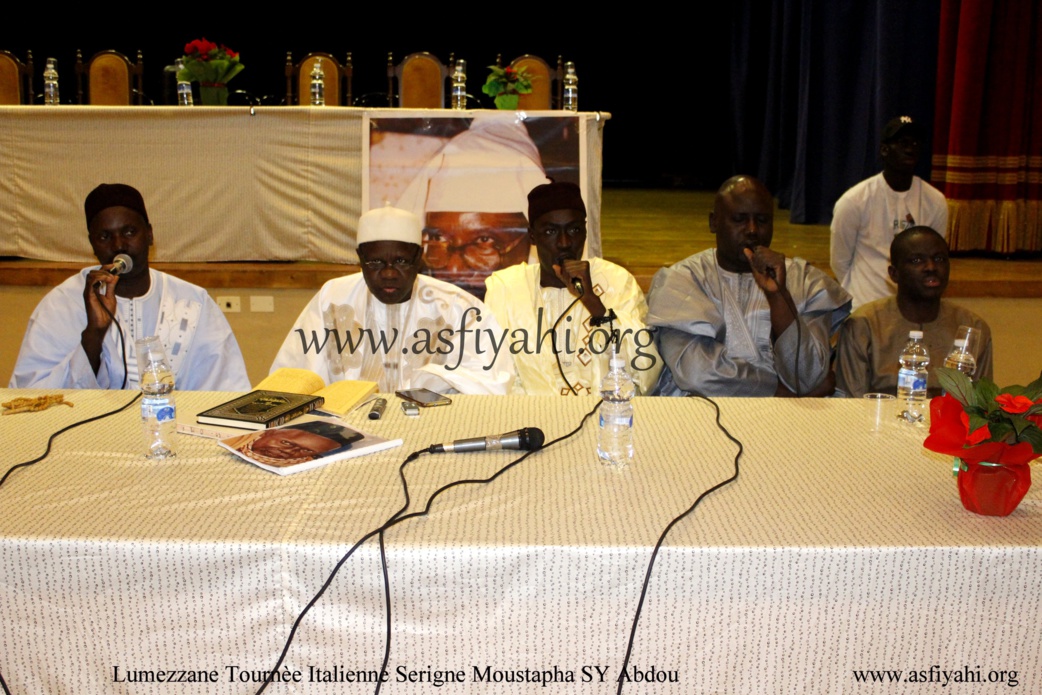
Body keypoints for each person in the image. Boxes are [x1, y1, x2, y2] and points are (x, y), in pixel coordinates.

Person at [10, 183, 249, 391]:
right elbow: (32, 393)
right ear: (92, 245)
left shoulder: (192, 301)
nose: (118, 245)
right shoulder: (62, 303)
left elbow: (225, 385)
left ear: (150, 235)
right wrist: (94, 333)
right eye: (105, 237)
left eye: (129, 232)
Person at [270, 206, 513, 394]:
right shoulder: (332, 297)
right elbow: (294, 375)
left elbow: (490, 382)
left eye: (401, 261)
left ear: (419, 258)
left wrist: (429, 379)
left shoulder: (459, 307)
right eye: (375, 262)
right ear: (360, 258)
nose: (388, 273)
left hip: (430, 430)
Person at [647, 175, 851, 398]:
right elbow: (698, 374)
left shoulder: (806, 281)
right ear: (713, 222)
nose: (752, 230)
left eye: (762, 220)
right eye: (739, 219)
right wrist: (781, 392)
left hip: (790, 418)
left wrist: (779, 297)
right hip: (702, 410)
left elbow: (807, 377)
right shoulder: (682, 280)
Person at [483, 181, 661, 396]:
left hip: (602, 414)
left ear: (585, 232)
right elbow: (494, 373)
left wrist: (594, 304)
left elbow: (645, 372)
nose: (565, 243)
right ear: (532, 236)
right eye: (551, 231)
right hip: (529, 415)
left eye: (574, 230)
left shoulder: (616, 282)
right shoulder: (507, 288)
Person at [835, 226, 992, 398]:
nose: (931, 267)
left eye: (939, 259)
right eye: (917, 261)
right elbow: (851, 403)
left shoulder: (972, 327)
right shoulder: (863, 325)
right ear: (894, 274)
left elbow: (981, 405)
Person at [831, 115, 949, 309]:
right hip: (864, 306)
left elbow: (936, 256)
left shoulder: (935, 201)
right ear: (885, 150)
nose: (910, 148)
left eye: (914, 143)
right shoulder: (854, 201)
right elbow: (840, 262)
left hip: (914, 308)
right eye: (902, 143)